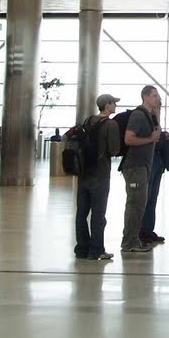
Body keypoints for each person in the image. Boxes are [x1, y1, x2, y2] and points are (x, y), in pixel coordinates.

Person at [74, 94, 122, 262]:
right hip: (100, 174)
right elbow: (114, 150)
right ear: (107, 105)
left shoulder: (88, 121)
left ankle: (82, 248)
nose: (115, 106)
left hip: (83, 173)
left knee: (81, 213)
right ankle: (96, 250)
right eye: (113, 103)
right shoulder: (111, 124)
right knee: (98, 214)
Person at [119, 86, 162, 254]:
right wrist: (150, 138)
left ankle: (134, 239)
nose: (157, 98)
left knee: (140, 204)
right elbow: (129, 139)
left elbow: (156, 135)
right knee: (135, 204)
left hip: (143, 166)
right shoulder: (138, 115)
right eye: (154, 96)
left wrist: (157, 115)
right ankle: (129, 241)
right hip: (135, 167)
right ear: (145, 97)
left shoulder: (149, 116)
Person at [142, 128, 169, 246]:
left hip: (158, 159)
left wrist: (163, 136)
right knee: (145, 198)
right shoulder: (141, 119)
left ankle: (148, 230)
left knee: (152, 199)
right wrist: (160, 136)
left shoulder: (153, 120)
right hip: (148, 160)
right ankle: (141, 232)